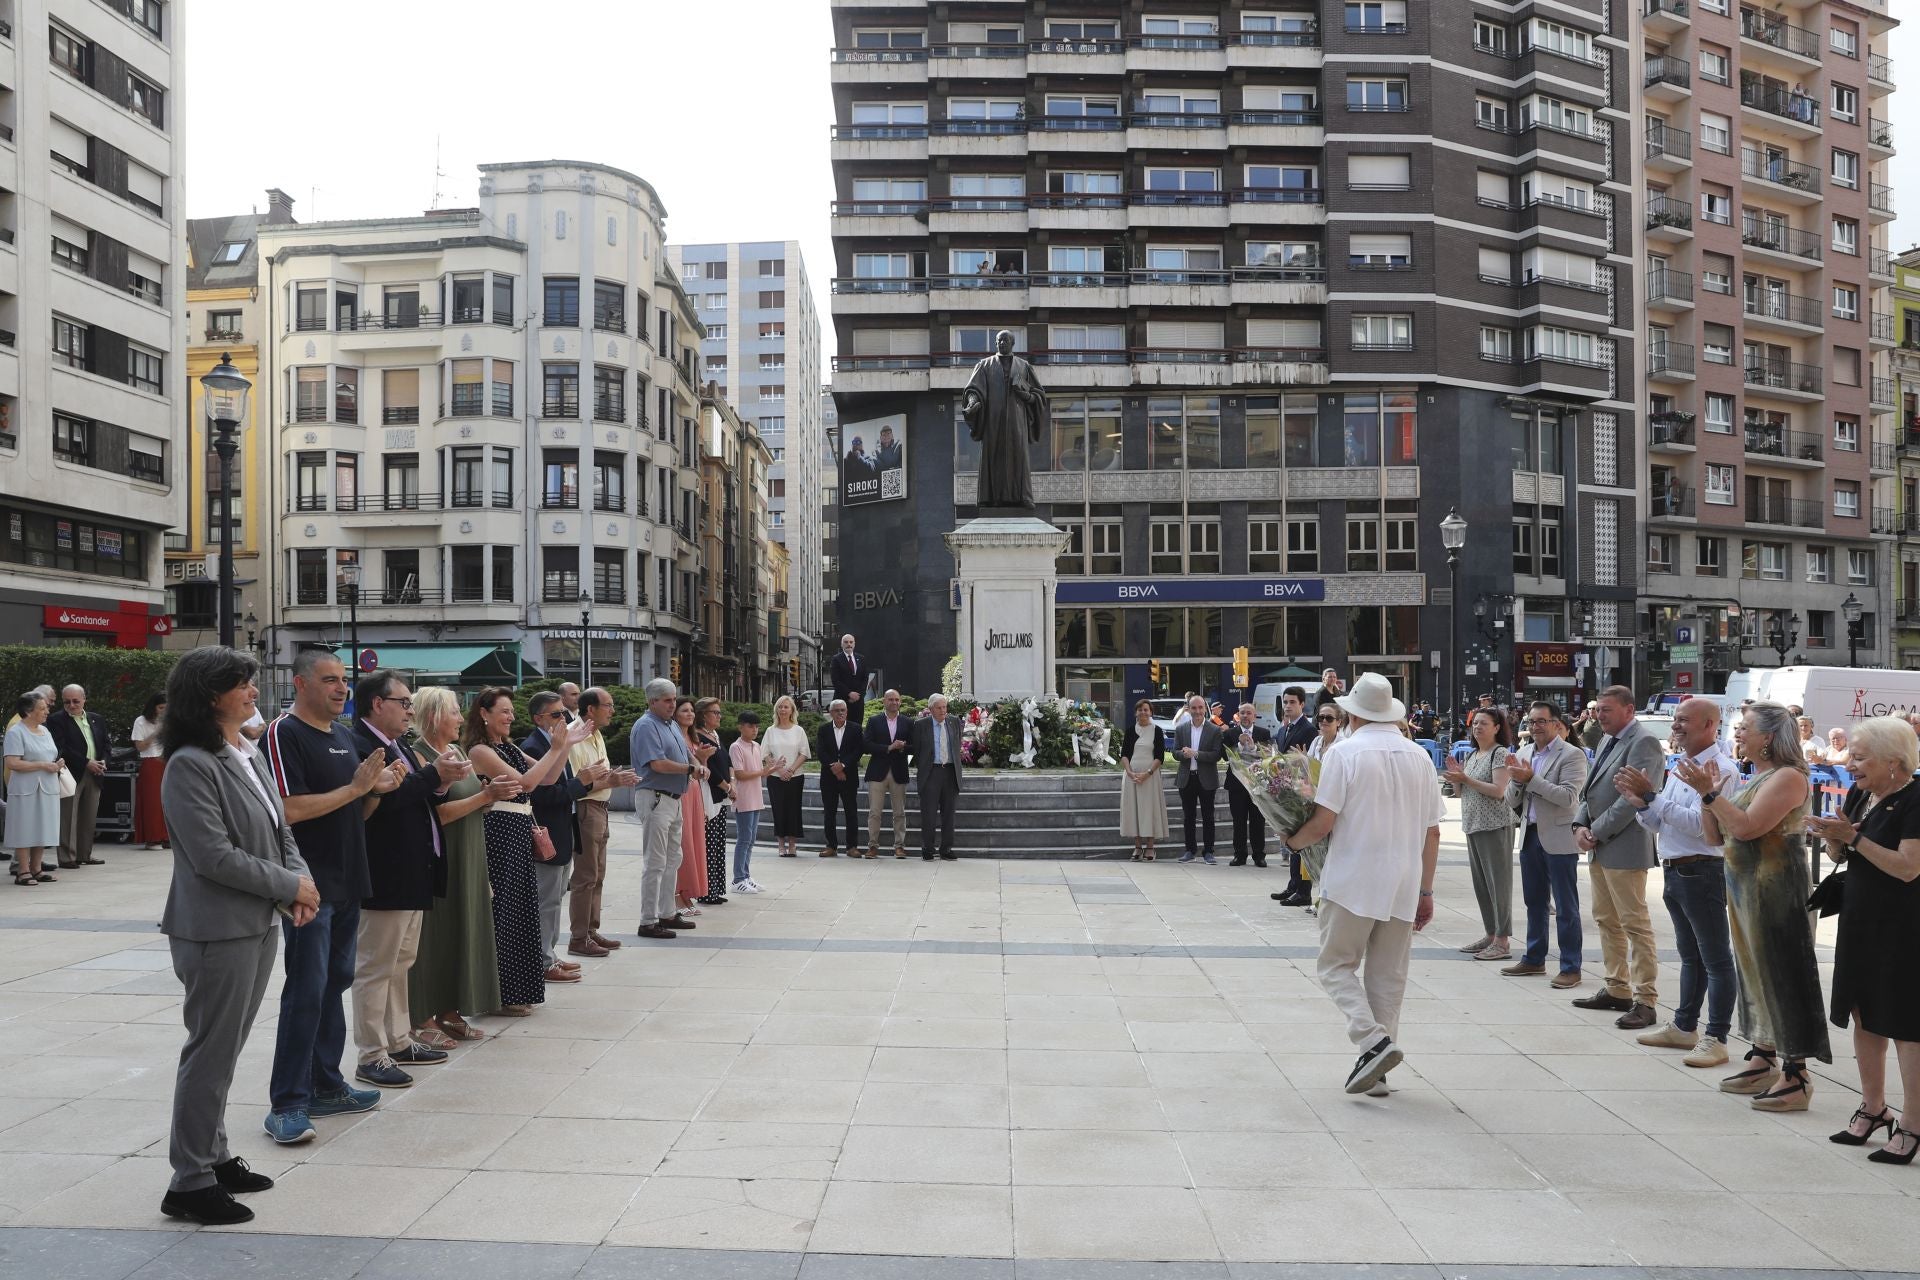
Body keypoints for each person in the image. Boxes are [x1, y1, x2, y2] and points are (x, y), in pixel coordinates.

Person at [156, 647, 317, 1226]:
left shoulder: (244, 752)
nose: (253, 691)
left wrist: (298, 887)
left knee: (225, 1051)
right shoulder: (190, 764)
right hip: (215, 928)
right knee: (210, 1053)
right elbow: (212, 856)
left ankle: (215, 1156)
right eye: (241, 684)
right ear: (209, 697)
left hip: (255, 919)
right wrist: (289, 886)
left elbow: (280, 830)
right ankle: (190, 1181)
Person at [261, 650, 400, 1145]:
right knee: (306, 988)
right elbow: (288, 810)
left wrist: (375, 791)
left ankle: (327, 1084)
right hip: (310, 887)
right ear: (300, 684)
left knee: (336, 981)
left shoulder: (343, 736)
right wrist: (355, 788)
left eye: (344, 681)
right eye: (330, 680)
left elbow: (352, 815)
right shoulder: (283, 733)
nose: (342, 689)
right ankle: (288, 1103)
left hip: (349, 881)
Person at [1283, 673, 1442, 1096]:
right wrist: (1427, 890)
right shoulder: (1420, 757)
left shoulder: (1345, 753)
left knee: (1335, 965)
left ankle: (1372, 1042)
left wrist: (1292, 840)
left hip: (1355, 876)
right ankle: (1377, 1067)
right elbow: (1433, 833)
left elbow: (1323, 821)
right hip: (1404, 879)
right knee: (1387, 978)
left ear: (1352, 714)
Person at [1679, 701, 1828, 1112]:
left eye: (1745, 728)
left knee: (1781, 973)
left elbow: (1746, 828)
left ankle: (1796, 1073)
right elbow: (1714, 837)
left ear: (1768, 737)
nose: (1738, 734)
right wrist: (1706, 796)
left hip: (1777, 890)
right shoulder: (1757, 776)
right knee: (1754, 972)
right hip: (1746, 887)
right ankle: (1764, 1055)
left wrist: (1710, 794)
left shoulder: (1788, 778)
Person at [1807, 716, 1920, 1163]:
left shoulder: (1915, 799)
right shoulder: (1861, 794)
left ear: (1894, 762)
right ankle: (1874, 1108)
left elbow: (1908, 867)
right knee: (1862, 1013)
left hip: (1903, 924)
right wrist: (1833, 837)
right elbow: (1843, 852)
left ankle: (1913, 1123)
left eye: (1859, 757)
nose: (1849, 765)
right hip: (1860, 918)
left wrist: (1852, 837)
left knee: (1906, 1024)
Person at [350, 670, 468, 1089]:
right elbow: (380, 801)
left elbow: (411, 795)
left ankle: (398, 1039)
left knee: (401, 962)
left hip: (411, 868)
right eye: (403, 702)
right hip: (385, 870)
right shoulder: (361, 744)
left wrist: (440, 781)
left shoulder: (394, 743)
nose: (409, 710)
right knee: (375, 966)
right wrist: (435, 775)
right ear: (377, 705)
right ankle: (371, 1053)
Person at [1617, 697, 1739, 1067]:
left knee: (1716, 959)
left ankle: (1716, 1035)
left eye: (1685, 720)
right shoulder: (1681, 766)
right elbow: (1660, 822)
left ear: (1709, 725)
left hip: (1702, 870)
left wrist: (1652, 797)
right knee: (1690, 956)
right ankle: (1685, 1026)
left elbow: (1704, 830)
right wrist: (1641, 803)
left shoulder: (1722, 771)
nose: (1676, 725)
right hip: (1676, 868)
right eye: (1676, 720)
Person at [465, 687, 593, 1010]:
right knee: (504, 912)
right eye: (504, 711)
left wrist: (564, 745)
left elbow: (549, 777)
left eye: (511, 711)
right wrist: (559, 746)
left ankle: (517, 991)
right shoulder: (480, 751)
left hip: (519, 831)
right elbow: (526, 784)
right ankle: (499, 994)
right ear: (484, 713)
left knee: (522, 910)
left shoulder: (506, 746)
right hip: (499, 833)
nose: (510, 717)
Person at [408, 686, 516, 1045]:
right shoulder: (420, 756)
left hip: (470, 853)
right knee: (433, 939)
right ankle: (422, 1016)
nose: (460, 718)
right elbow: (434, 814)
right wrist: (486, 796)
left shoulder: (455, 751)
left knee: (460, 932)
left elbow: (468, 799)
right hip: (442, 857)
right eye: (454, 711)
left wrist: (486, 798)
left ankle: (451, 1011)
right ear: (436, 716)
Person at [1569, 685, 1667, 1031]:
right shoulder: (1608, 739)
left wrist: (1596, 831)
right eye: (1598, 710)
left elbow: (1633, 799)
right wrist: (1580, 823)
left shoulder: (1644, 742)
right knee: (1605, 919)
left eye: (1607, 710)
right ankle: (1617, 987)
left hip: (1624, 845)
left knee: (1634, 923)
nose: (1599, 716)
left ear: (1629, 709)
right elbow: (1592, 788)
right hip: (1600, 845)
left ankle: (1646, 999)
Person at [1500, 703, 1590, 986]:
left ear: (1556, 724)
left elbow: (1568, 798)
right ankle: (1534, 958)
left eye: (1542, 721)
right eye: (1532, 720)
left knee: (1565, 906)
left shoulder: (1572, 755)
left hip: (1559, 837)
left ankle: (1570, 967)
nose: (1536, 726)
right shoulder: (1524, 753)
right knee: (1534, 902)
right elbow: (1511, 799)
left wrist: (1531, 779)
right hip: (1530, 834)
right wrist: (1516, 781)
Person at [520, 690, 606, 976]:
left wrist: (585, 780)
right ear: (538, 719)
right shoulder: (534, 747)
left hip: (563, 830)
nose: (563, 719)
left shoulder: (559, 744)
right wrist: (581, 783)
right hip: (546, 832)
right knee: (546, 901)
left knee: (555, 898)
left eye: (564, 714)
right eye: (556, 715)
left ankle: (550, 955)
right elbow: (543, 794)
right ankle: (543, 961)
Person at [566, 688, 636, 958]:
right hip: (585, 809)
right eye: (608, 705)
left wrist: (615, 779)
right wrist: (612, 781)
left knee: (598, 875)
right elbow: (578, 783)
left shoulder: (596, 735)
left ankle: (591, 931)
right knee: (585, 877)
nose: (613, 710)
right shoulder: (575, 735)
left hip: (601, 808)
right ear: (590, 709)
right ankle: (579, 937)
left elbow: (601, 774)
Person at [1445, 708, 1515, 962]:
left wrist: (1466, 778)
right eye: (1475, 723)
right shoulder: (1474, 754)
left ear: (1497, 727)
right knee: (1482, 885)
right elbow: (1462, 793)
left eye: (1484, 723)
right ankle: (1490, 933)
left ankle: (1502, 940)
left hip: (1495, 825)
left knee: (1498, 884)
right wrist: (1456, 779)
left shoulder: (1500, 754)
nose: (1478, 728)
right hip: (1473, 824)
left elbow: (1499, 790)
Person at [629, 679, 697, 938]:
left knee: (672, 859)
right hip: (656, 797)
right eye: (667, 700)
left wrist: (694, 761)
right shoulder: (647, 725)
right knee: (655, 862)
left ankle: (666, 912)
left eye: (674, 699)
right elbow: (657, 764)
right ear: (652, 701)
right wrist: (690, 769)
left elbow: (683, 752)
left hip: (673, 798)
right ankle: (648, 920)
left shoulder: (669, 725)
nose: (673, 704)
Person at [960, 328, 1049, 509]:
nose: (1002, 343)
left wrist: (1026, 397)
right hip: (993, 422)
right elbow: (973, 390)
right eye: (999, 340)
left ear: (1013, 343)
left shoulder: (1024, 366)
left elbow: (1039, 396)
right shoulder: (984, 365)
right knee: (994, 457)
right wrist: (972, 403)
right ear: (995, 343)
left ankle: (1023, 497)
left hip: (1017, 423)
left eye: (1006, 340)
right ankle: (993, 498)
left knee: (1019, 457)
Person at [5, 691, 65, 886]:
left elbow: (49, 756)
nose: (47, 711)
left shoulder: (45, 731)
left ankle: (36, 868)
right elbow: (13, 763)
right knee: (24, 828)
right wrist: (42, 765)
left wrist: (56, 764)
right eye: (42, 708)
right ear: (28, 711)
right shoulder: (16, 731)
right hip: (25, 788)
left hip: (47, 786)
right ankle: (22, 871)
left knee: (43, 827)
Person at [50, 684, 110, 869]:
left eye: (76, 701)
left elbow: (106, 744)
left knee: (89, 815)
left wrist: (103, 762)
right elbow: (62, 748)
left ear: (84, 699)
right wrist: (86, 762)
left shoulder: (96, 719)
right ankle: (67, 857)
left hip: (95, 772)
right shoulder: (56, 720)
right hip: (71, 772)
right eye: (67, 701)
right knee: (68, 816)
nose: (72, 705)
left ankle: (85, 854)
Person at [673, 698, 714, 914]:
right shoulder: (674, 734)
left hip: (695, 791)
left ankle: (688, 895)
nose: (689, 714)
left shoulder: (692, 736)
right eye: (684, 710)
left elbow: (699, 771)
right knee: (683, 843)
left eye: (691, 710)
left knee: (695, 842)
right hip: (682, 793)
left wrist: (703, 759)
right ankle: (678, 894)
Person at [1172, 693, 1223, 865]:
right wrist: (1183, 754)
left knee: (1208, 817)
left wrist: (1196, 754)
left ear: (1205, 709)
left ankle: (1208, 852)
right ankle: (1190, 850)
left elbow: (1217, 755)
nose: (1197, 711)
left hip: (1206, 779)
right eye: (1194, 708)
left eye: (1200, 707)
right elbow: (1174, 752)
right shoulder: (1181, 728)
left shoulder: (1214, 730)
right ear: (1189, 708)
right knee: (1189, 817)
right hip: (1187, 778)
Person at [912, 693, 964, 860]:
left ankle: (946, 849)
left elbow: (957, 744)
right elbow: (917, 750)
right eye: (939, 708)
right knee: (928, 813)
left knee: (949, 813)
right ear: (931, 709)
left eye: (944, 707)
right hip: (931, 772)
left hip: (950, 772)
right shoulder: (921, 725)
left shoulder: (954, 722)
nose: (943, 711)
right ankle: (928, 849)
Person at [864, 689, 913, 859]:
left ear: (900, 702)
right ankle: (872, 846)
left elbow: (914, 747)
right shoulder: (874, 721)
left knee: (899, 812)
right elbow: (867, 745)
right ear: (884, 701)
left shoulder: (908, 722)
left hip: (899, 771)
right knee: (875, 812)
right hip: (877, 772)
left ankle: (899, 846)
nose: (894, 702)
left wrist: (903, 747)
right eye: (890, 699)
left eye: (897, 699)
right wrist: (888, 748)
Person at [1221, 702, 1272, 867]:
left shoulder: (1263, 733)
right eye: (1242, 713)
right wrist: (1240, 745)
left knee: (1258, 821)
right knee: (1239, 821)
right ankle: (1239, 855)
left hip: (1257, 784)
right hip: (1236, 785)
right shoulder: (1230, 733)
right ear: (1238, 715)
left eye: (1249, 713)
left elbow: (1268, 755)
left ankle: (1259, 855)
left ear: (1254, 716)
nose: (1245, 716)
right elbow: (1223, 755)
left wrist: (1253, 747)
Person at [1119, 699, 1170, 861]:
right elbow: (1124, 754)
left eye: (1146, 710)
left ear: (1151, 712)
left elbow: (1159, 757)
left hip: (1150, 777)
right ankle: (1137, 847)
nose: (1143, 712)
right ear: (1136, 712)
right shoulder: (1130, 731)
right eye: (1140, 709)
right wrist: (1129, 772)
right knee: (1134, 810)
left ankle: (1150, 847)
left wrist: (1147, 773)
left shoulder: (1157, 731)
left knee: (1149, 810)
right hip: (1132, 777)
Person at [762, 695, 810, 857]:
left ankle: (792, 844)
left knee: (793, 809)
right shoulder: (770, 731)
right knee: (779, 810)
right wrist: (779, 769)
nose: (783, 709)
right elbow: (765, 753)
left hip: (795, 777)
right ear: (776, 709)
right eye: (780, 707)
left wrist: (790, 770)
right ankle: (781, 844)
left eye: (786, 707)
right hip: (775, 777)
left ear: (792, 710)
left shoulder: (799, 730)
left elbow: (804, 753)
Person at [816, 698, 864, 856]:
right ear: (830, 713)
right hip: (828, 778)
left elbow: (858, 751)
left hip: (849, 777)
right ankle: (831, 846)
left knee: (851, 812)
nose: (840, 713)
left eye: (843, 710)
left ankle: (852, 847)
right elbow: (821, 752)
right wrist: (834, 768)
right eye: (837, 710)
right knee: (829, 812)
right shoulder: (823, 730)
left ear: (847, 712)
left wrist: (843, 765)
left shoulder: (855, 729)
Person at [695, 698, 730, 903]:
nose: (719, 716)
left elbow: (727, 761)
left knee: (718, 843)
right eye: (714, 712)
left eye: (719, 712)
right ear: (703, 715)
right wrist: (725, 785)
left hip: (722, 794)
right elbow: (712, 770)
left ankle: (716, 889)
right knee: (709, 843)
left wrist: (731, 782)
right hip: (710, 792)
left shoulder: (714, 735)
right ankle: (706, 891)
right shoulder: (700, 737)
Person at [729, 711, 768, 893]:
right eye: (750, 726)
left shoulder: (756, 745)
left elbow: (759, 771)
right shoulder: (736, 747)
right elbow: (740, 774)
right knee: (744, 839)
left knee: (751, 839)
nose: (754, 729)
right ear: (741, 727)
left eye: (756, 726)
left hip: (756, 797)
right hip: (743, 798)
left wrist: (771, 768)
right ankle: (738, 879)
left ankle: (745, 875)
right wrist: (763, 771)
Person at [132, 692, 169, 848]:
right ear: (153, 707)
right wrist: (156, 732)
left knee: (168, 801)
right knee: (152, 801)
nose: (163, 711)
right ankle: (153, 837)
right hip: (151, 760)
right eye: (161, 708)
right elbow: (140, 746)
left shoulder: (171, 720)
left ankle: (167, 836)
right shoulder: (141, 721)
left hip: (167, 760)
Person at [830, 634, 868, 720]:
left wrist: (859, 695)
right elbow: (835, 680)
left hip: (858, 702)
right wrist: (849, 694)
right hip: (841, 701)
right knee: (841, 727)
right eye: (846, 642)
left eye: (851, 642)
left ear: (854, 644)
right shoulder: (836, 659)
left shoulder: (861, 658)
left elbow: (865, 678)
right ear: (842, 644)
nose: (849, 644)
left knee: (857, 729)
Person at [1276, 687, 1316, 752]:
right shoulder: (1281, 730)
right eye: (1285, 702)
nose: (1288, 705)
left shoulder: (1310, 730)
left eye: (1292, 702)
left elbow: (1310, 759)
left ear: (1302, 704)